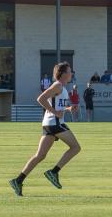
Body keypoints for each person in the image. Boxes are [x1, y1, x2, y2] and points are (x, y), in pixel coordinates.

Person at [9, 62, 81, 196]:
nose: (72, 73)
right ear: (63, 74)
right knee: (76, 147)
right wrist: (55, 112)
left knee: (40, 155)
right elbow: (40, 99)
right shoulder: (58, 85)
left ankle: (18, 180)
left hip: (49, 123)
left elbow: (57, 107)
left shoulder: (62, 88)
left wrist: (68, 109)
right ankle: (53, 172)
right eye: (70, 71)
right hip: (55, 123)